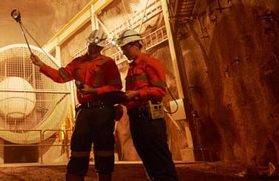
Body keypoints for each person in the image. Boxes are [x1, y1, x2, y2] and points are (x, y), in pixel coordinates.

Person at [30, 29, 122, 181]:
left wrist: (94, 90)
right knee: (78, 149)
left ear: (102, 48)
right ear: (88, 43)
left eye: (97, 47)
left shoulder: (108, 63)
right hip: (84, 112)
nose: (93, 49)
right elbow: (60, 76)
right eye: (91, 45)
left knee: (104, 150)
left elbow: (116, 86)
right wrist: (41, 64)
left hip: (103, 111)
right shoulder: (77, 62)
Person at [115, 29, 178, 181]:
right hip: (137, 119)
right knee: (148, 160)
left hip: (150, 119)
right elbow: (132, 95)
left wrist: (136, 94)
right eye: (122, 48)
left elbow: (159, 91)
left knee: (160, 160)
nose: (123, 51)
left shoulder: (150, 63)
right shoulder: (131, 70)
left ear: (136, 44)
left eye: (126, 47)